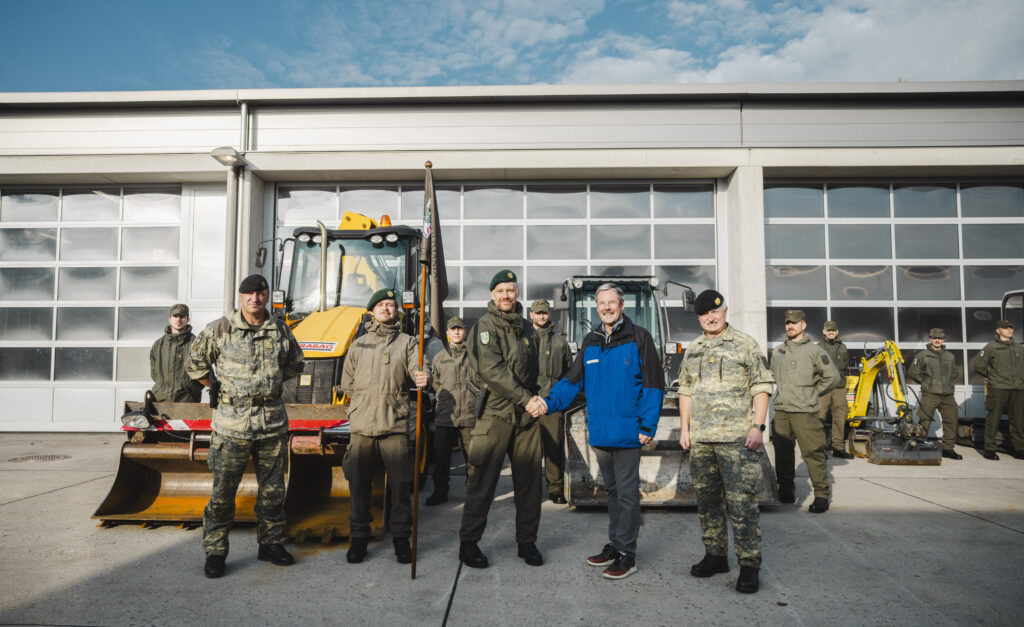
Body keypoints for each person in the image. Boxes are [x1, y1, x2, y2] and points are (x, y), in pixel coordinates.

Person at [539, 283, 663, 580]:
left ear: (622, 306)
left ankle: (627, 554)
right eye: (602, 304)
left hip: (629, 432)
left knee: (628, 494)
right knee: (612, 492)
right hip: (601, 432)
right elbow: (572, 381)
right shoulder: (591, 341)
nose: (607, 307)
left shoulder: (639, 338)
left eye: (612, 302)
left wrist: (648, 424)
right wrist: (548, 402)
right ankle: (616, 543)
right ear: (597, 308)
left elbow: (653, 384)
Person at [187, 274, 304, 579]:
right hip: (231, 424)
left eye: (260, 293)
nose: (255, 298)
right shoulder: (219, 328)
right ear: (240, 297)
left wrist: (267, 386)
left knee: (273, 492)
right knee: (223, 493)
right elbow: (194, 363)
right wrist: (213, 384)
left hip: (271, 423)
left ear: (267, 296)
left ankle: (270, 543)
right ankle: (215, 550)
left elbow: (295, 363)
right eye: (249, 294)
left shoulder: (279, 328)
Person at [677, 289, 774, 594]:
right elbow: (686, 391)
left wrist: (758, 426)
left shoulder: (745, 344)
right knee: (707, 503)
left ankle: (749, 565)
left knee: (742, 503)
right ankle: (715, 555)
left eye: (715, 312)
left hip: (737, 440)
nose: (710, 317)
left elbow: (761, 386)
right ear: (699, 317)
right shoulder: (693, 350)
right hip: (702, 439)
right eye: (704, 314)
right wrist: (684, 429)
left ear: (725, 311)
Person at [458, 269, 543, 569]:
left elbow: (536, 369)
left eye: (511, 290)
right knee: (482, 481)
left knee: (530, 482)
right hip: (495, 413)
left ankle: (527, 542)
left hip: (526, 417)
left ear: (517, 293)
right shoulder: (485, 326)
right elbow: (493, 372)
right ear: (493, 295)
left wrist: (540, 397)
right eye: (501, 291)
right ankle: (468, 543)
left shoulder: (527, 327)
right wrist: (526, 398)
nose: (507, 295)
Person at [340, 288, 430, 564]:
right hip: (362, 426)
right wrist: (365, 401)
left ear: (397, 311)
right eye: (381, 305)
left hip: (395, 424)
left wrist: (425, 374)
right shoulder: (359, 344)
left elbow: (422, 368)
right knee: (359, 486)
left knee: (402, 487)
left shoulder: (409, 342)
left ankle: (402, 540)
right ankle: (359, 539)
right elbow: (348, 383)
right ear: (372, 311)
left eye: (391, 305)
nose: (387, 309)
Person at [769, 309, 841, 514]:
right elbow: (772, 375)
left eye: (794, 322)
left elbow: (833, 378)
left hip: (805, 412)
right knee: (782, 454)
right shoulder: (778, 351)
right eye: (787, 323)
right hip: (782, 410)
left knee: (813, 453)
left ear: (803, 325)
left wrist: (813, 393)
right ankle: (786, 490)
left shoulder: (814, 351)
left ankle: (821, 495)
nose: (790, 326)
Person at [426, 316, 475, 506]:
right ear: (447, 333)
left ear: (465, 332)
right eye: (453, 329)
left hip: (469, 414)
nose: (456, 332)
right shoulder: (439, 357)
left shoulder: (474, 355)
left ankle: (473, 494)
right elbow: (436, 384)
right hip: (445, 415)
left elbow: (481, 381)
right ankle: (440, 492)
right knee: (441, 458)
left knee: (472, 458)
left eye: (460, 329)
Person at [530, 299, 573, 504]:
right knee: (528, 450)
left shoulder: (560, 342)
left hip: (553, 403)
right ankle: (528, 490)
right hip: (528, 403)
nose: (541, 316)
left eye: (544, 313)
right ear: (531, 315)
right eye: (538, 313)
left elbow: (569, 373)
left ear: (549, 315)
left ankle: (555, 488)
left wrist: (560, 398)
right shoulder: (524, 339)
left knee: (553, 446)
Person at [907, 328, 963, 460]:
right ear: (930, 339)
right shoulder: (923, 355)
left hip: (947, 395)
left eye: (940, 338)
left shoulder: (950, 356)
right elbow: (913, 372)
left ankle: (948, 448)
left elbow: (955, 372)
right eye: (934, 338)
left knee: (951, 420)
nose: (937, 340)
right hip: (930, 394)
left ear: (943, 340)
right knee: (924, 420)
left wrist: (947, 383)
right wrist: (926, 382)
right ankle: (919, 445)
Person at [975, 320, 1024, 460]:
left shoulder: (1019, 348)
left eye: (1011, 327)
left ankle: (1019, 449)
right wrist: (993, 376)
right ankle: (989, 449)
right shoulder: (991, 347)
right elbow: (979, 366)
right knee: (994, 418)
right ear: (998, 330)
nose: (1009, 330)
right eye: (1005, 328)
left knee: (1018, 420)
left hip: (1018, 388)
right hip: (998, 388)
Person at [149, 303, 202, 402]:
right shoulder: (159, 345)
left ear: (187, 319)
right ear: (170, 319)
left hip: (188, 401)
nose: (178, 320)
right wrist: (162, 386)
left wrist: (189, 387)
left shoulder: (196, 343)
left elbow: (204, 372)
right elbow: (154, 373)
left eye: (182, 316)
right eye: (175, 316)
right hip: (161, 400)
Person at [817, 321, 853, 459]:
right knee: (820, 416)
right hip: (824, 386)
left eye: (833, 330)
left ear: (837, 332)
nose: (831, 332)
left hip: (839, 387)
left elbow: (844, 366)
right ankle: (820, 449)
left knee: (840, 416)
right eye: (828, 330)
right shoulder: (818, 347)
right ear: (824, 332)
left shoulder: (843, 347)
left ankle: (838, 447)